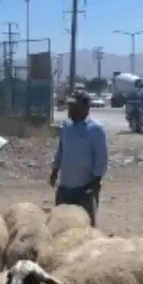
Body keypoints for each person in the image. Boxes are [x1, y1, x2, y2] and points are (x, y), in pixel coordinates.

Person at [50, 89, 108, 227]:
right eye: (70, 106)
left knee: (85, 228)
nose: (70, 110)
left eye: (75, 106)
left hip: (85, 190)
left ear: (85, 108)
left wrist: (96, 181)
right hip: (65, 188)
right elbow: (61, 151)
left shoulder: (95, 129)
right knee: (60, 226)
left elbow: (101, 158)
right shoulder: (67, 127)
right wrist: (54, 171)